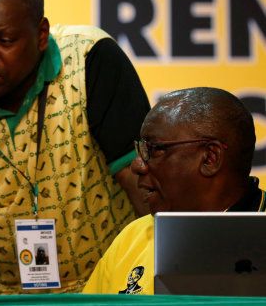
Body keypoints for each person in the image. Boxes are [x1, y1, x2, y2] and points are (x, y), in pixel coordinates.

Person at [0, 0, 151, 293]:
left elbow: (144, 183)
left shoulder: (89, 58)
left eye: (5, 40)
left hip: (107, 290)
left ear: (40, 35)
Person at [83, 87, 265, 295]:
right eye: (141, 149)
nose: (137, 166)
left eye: (154, 150)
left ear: (210, 158)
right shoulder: (132, 237)